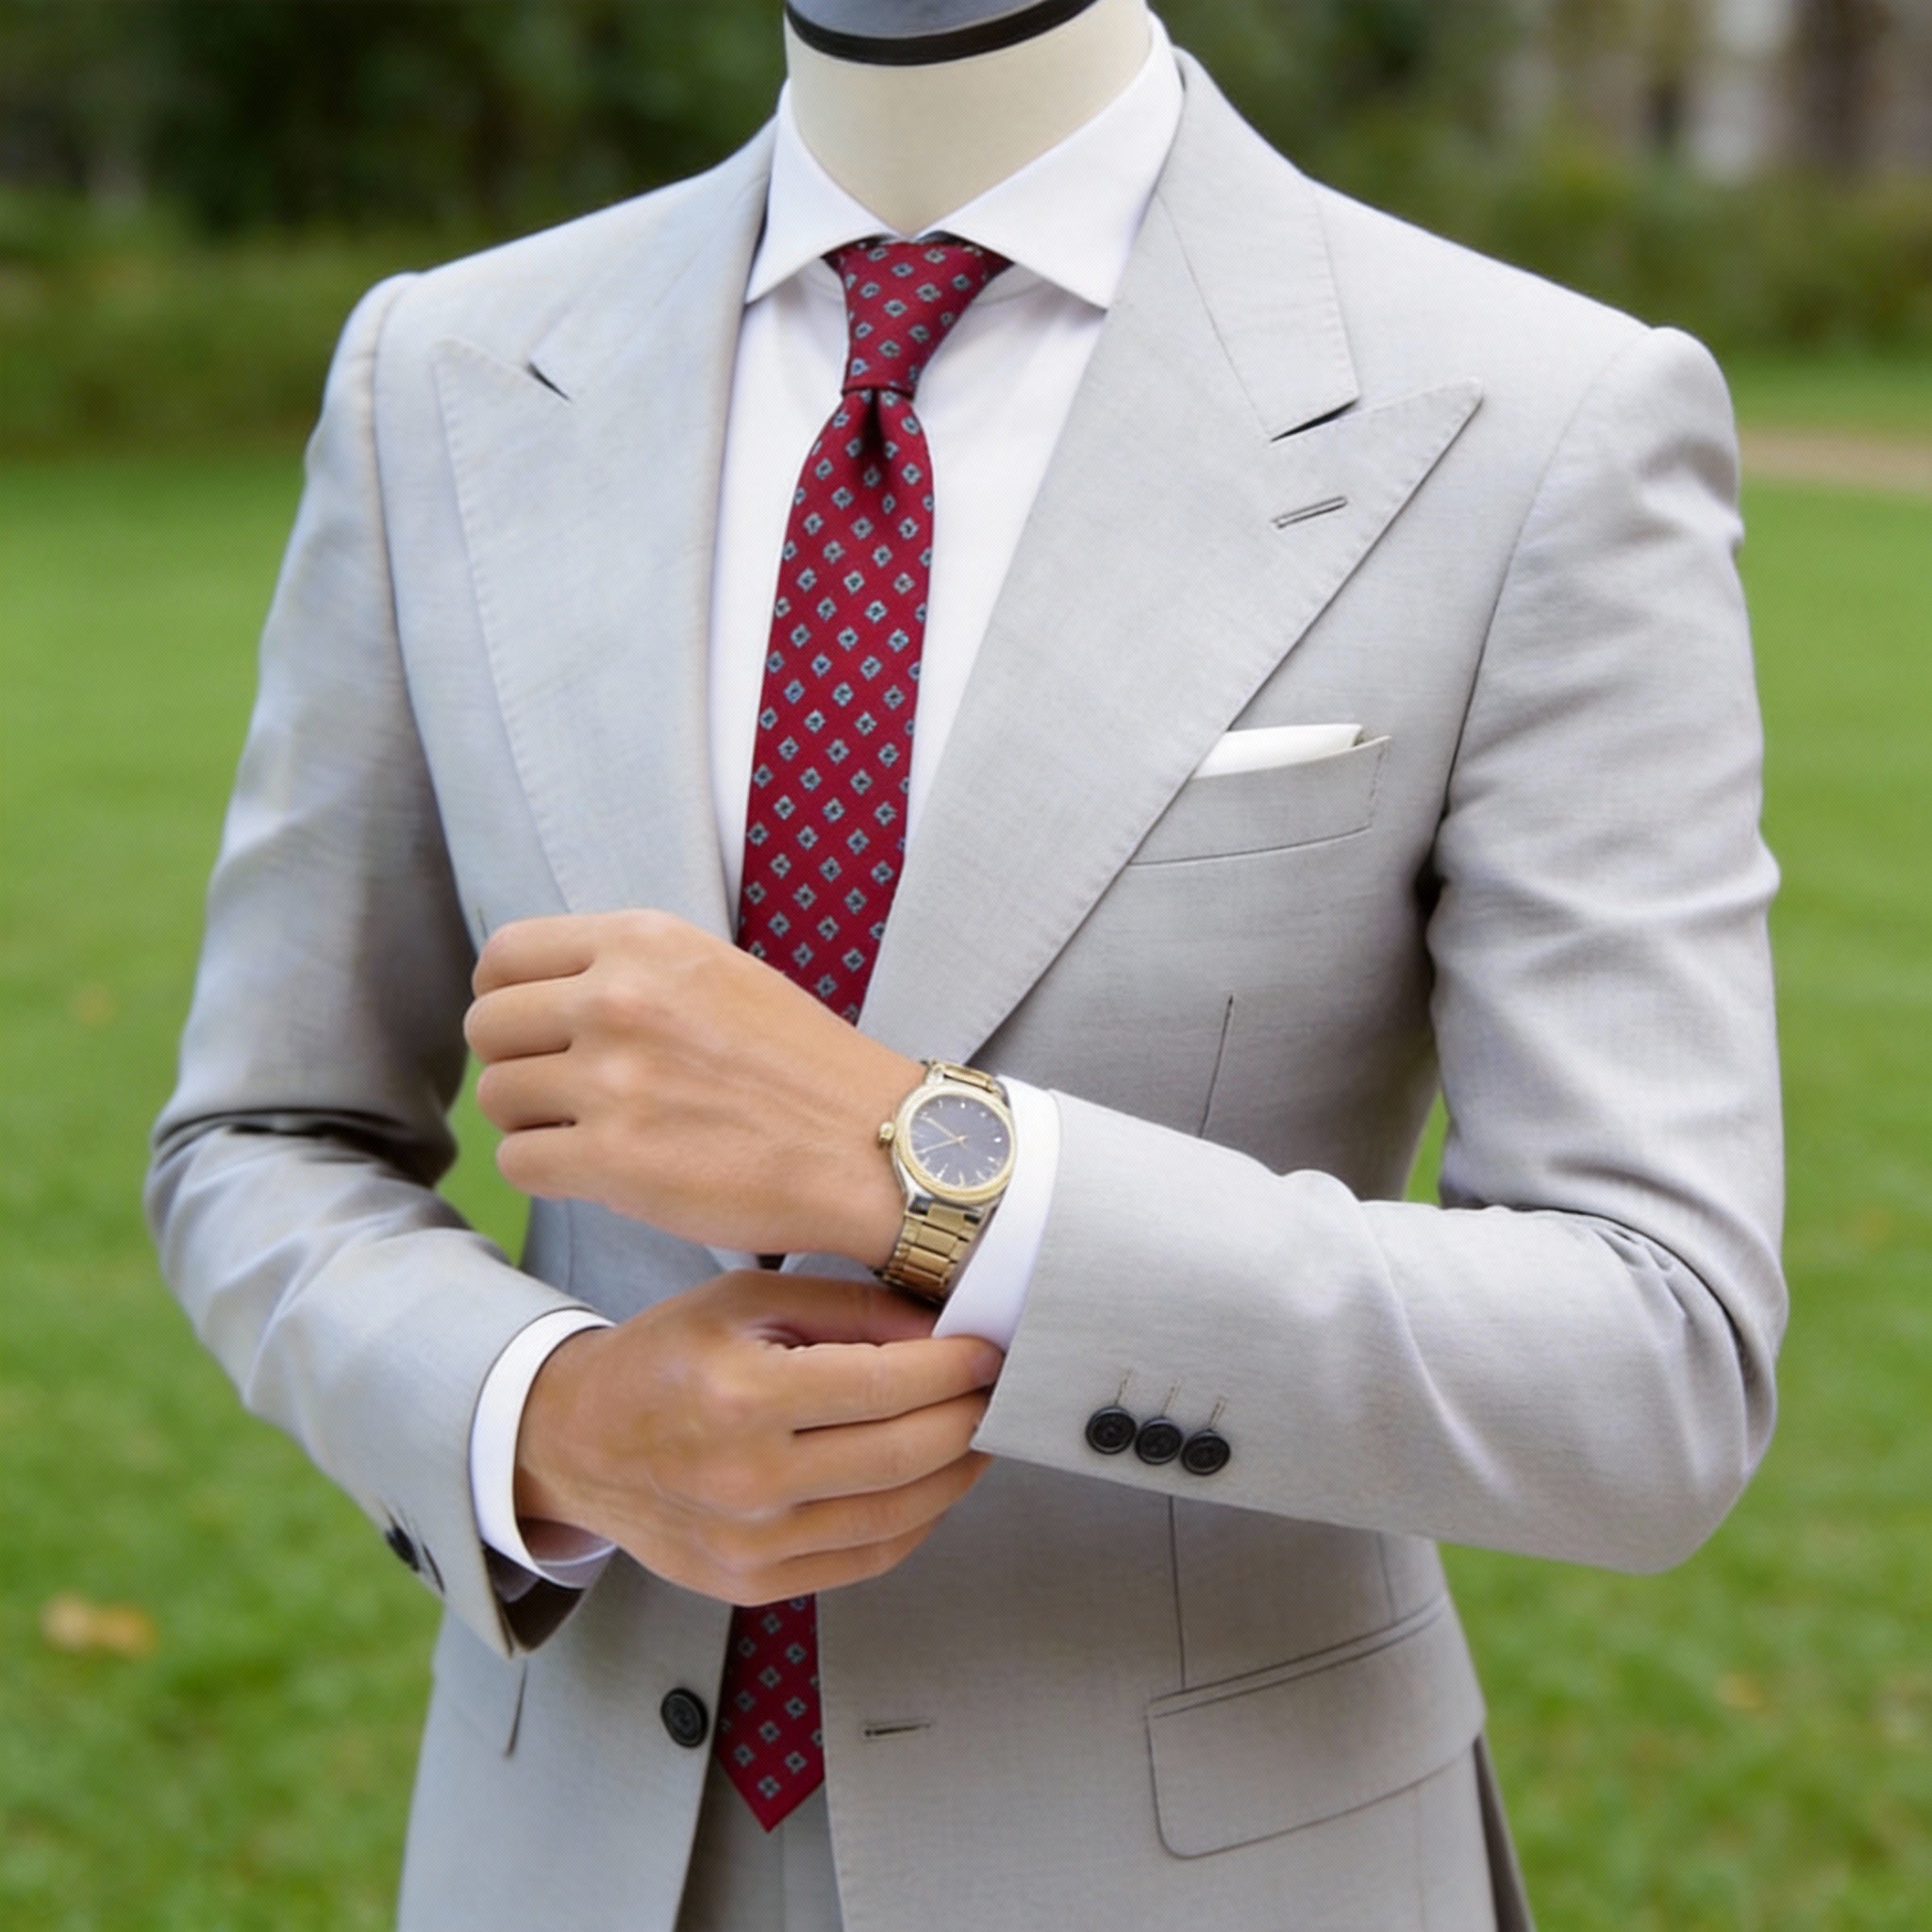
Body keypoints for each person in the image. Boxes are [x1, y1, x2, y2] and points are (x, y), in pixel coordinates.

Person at [146, 1, 1787, 1926]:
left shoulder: (1538, 418)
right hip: (559, 1853)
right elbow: (260, 1135)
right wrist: (543, 1418)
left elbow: (1652, 1360)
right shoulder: (439, 375)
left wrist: (931, 1169)